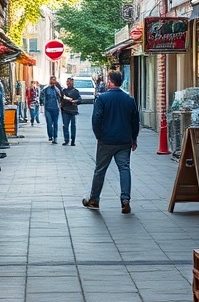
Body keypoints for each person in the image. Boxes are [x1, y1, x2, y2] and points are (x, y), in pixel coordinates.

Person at [83, 70, 139, 214]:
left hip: (106, 140)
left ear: (110, 81)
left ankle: (94, 200)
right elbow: (135, 121)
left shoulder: (102, 98)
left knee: (100, 170)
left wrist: (99, 135)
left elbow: (96, 119)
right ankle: (125, 200)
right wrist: (134, 138)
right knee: (124, 169)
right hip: (124, 140)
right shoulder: (129, 99)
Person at [59, 77, 82, 146]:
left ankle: (73, 140)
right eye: (67, 81)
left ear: (72, 83)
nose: (68, 83)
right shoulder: (64, 91)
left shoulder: (75, 91)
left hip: (73, 111)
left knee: (73, 126)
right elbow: (60, 99)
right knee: (65, 126)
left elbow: (80, 99)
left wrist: (75, 101)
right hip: (65, 111)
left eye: (70, 82)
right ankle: (66, 140)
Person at [42, 76, 62, 143]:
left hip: (55, 109)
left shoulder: (57, 89)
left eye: (54, 80)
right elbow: (42, 97)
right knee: (49, 123)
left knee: (55, 123)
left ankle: (55, 137)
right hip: (48, 109)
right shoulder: (46, 89)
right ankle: (50, 135)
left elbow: (60, 97)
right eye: (52, 80)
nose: (53, 81)